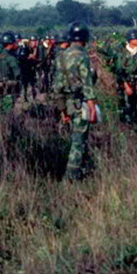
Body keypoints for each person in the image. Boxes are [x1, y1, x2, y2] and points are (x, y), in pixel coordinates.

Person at [53, 21, 97, 181]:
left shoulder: (61, 56)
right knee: (79, 140)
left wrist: (62, 109)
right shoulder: (82, 56)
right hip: (79, 102)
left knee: (74, 137)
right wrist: (92, 106)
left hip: (65, 101)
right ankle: (71, 176)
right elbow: (87, 83)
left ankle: (79, 170)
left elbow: (57, 85)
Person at [0, 31, 22, 113]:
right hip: (8, 87)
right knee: (7, 109)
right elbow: (17, 73)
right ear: (10, 43)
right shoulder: (10, 58)